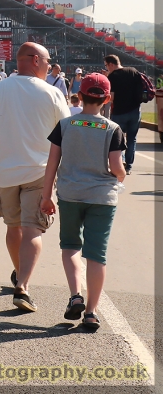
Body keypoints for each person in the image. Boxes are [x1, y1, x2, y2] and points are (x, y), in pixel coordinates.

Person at [0, 42, 71, 312]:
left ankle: (20, 273)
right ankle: (23, 285)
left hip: (6, 172)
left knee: (13, 227)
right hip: (40, 172)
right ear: (34, 60)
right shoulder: (52, 93)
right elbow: (69, 132)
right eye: (46, 61)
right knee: (33, 229)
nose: (48, 65)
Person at [39, 73, 126, 332]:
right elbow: (115, 166)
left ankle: (75, 295)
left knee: (70, 245)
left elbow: (52, 163)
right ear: (107, 99)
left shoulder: (65, 125)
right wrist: (122, 175)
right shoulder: (112, 129)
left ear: (80, 94)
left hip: (70, 194)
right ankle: (91, 312)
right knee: (97, 254)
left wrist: (46, 196)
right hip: (102, 198)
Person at [103, 55, 143, 175]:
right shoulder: (133, 71)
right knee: (132, 139)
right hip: (135, 111)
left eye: (106, 65)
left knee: (118, 139)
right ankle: (129, 166)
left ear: (111, 64)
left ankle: (121, 162)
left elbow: (112, 97)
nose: (106, 68)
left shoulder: (113, 76)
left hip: (119, 112)